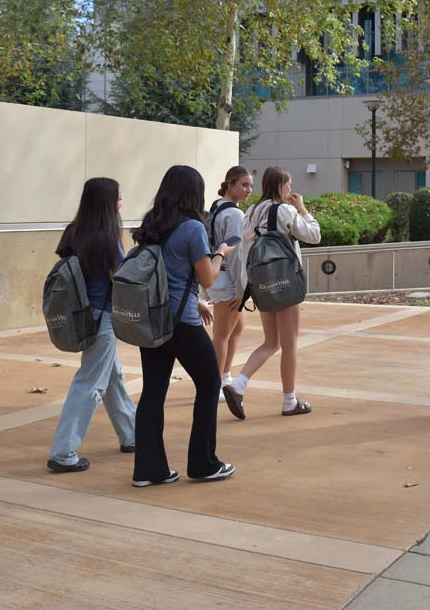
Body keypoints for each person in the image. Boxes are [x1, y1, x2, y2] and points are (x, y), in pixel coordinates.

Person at [130, 165, 235, 487]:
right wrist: (219, 254)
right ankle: (203, 464)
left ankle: (149, 470)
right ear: (195, 193)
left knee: (153, 392)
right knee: (208, 384)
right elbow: (207, 278)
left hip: (153, 319)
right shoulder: (192, 228)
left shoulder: (152, 225)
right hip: (182, 321)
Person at [46, 178, 137, 473]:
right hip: (103, 318)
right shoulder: (107, 236)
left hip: (82, 314)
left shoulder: (74, 231)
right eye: (118, 197)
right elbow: (119, 275)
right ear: (107, 202)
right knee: (90, 382)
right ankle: (63, 452)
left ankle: (133, 435)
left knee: (112, 378)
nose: (121, 202)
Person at [222, 166, 321, 419]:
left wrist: (246, 289)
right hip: (286, 283)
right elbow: (314, 235)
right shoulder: (285, 210)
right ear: (280, 186)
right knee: (289, 346)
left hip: (261, 285)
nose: (291, 189)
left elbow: (245, 252)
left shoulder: (251, 212)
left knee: (271, 341)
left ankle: (238, 384)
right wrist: (303, 209)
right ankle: (289, 401)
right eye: (288, 184)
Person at [205, 166, 254, 396]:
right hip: (227, 279)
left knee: (237, 328)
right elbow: (234, 253)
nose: (249, 190)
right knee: (222, 335)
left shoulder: (217, 207)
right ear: (230, 184)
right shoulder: (234, 214)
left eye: (251, 185)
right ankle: (215, 387)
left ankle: (225, 377)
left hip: (220, 276)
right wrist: (240, 288)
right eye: (244, 185)